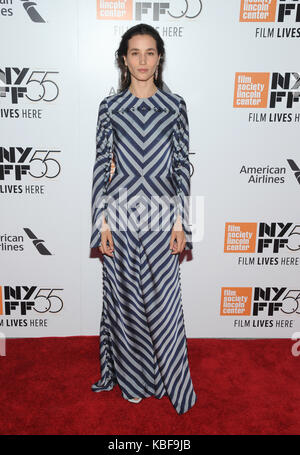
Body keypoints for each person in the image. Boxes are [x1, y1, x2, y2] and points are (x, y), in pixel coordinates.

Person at [90, 23, 197, 415]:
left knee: (164, 304)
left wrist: (181, 222)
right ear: (123, 59)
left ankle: (166, 377)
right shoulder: (110, 107)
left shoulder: (175, 106)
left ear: (160, 57)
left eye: (149, 52)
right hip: (118, 215)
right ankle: (133, 379)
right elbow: (102, 165)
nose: (142, 60)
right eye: (134, 52)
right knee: (128, 302)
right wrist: (101, 223)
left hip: (161, 215)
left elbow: (182, 166)